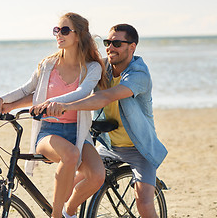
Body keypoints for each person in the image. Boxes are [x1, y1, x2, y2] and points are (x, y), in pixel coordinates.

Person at [0, 12, 107, 218]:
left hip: (79, 133)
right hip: (49, 132)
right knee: (70, 155)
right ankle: (57, 215)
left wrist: (56, 103)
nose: (59, 34)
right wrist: (1, 100)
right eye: (56, 30)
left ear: (79, 35)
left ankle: (68, 211)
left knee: (97, 176)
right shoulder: (48, 64)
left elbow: (83, 92)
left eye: (65, 30)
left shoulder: (92, 67)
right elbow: (26, 90)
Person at [44, 24, 168, 218]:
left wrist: (67, 106)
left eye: (117, 43)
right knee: (70, 186)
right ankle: (69, 212)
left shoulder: (138, 74)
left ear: (132, 47)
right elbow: (72, 81)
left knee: (143, 201)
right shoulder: (101, 69)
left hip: (139, 148)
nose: (110, 47)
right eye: (108, 42)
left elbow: (106, 97)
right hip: (107, 145)